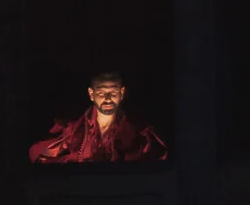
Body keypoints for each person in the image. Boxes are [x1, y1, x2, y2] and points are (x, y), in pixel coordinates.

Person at [29, 70, 168, 163]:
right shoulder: (73, 129)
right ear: (91, 94)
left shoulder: (140, 132)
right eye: (101, 93)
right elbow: (37, 154)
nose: (107, 98)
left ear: (122, 93)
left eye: (113, 92)